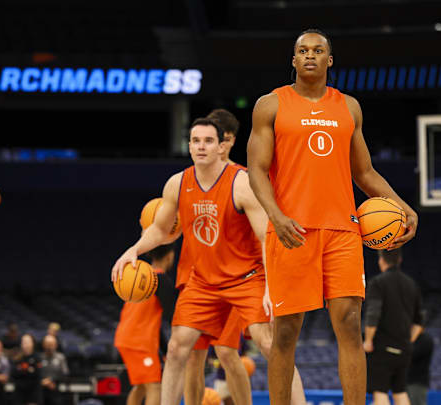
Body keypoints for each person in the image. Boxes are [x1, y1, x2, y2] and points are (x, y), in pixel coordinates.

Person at [246, 28, 418, 405]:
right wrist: (275, 216)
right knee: (286, 332)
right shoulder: (270, 105)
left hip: (342, 230)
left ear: (329, 60)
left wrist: (401, 204)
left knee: (350, 326)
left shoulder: (348, 107)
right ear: (293, 60)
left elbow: (365, 172)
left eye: (318, 50)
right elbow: (255, 169)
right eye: (303, 50)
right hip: (292, 230)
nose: (310, 55)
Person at [111, 117, 306, 405]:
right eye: (196, 141)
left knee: (268, 343)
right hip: (202, 282)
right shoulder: (177, 184)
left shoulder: (242, 184)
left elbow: (268, 238)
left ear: (221, 146)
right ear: (189, 146)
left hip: (247, 277)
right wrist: (134, 250)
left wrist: (271, 287)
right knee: (178, 347)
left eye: (209, 141)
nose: (202, 146)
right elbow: (162, 230)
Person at [183, 108, 254, 405]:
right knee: (191, 353)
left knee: (226, 350)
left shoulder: (243, 180)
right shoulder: (186, 181)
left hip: (234, 277)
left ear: (228, 142)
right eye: (201, 140)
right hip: (196, 276)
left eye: (217, 140)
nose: (211, 146)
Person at [114, 243, 176, 405]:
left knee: (141, 387)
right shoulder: (160, 279)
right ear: (170, 256)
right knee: (155, 387)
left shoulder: (142, 275)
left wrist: (164, 349)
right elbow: (173, 316)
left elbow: (154, 322)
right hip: (139, 341)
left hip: (127, 338)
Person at [363, 249, 423, 405]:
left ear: (381, 260)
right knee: (400, 391)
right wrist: (408, 340)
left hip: (382, 347)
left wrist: (368, 340)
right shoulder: (411, 284)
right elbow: (419, 322)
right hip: (404, 348)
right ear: (400, 260)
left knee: (380, 391)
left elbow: (373, 313)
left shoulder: (378, 283)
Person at [40, 335, 69, 405]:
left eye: (51, 344)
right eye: (47, 344)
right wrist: (43, 381)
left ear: (56, 345)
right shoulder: (39, 357)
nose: (49, 347)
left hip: (56, 390)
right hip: (41, 392)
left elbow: (65, 373)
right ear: (43, 345)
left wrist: (52, 381)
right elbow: (36, 373)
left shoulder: (61, 358)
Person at [13, 334, 42, 405]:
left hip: (33, 393)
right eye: (24, 342)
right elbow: (14, 374)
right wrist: (29, 370)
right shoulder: (17, 358)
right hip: (19, 393)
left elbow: (37, 373)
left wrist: (23, 371)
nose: (25, 344)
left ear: (33, 343)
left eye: (28, 342)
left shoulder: (37, 358)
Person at [407, 331, 434, 405]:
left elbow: (412, 355)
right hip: (406, 381)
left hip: (417, 382)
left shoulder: (425, 339)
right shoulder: (407, 338)